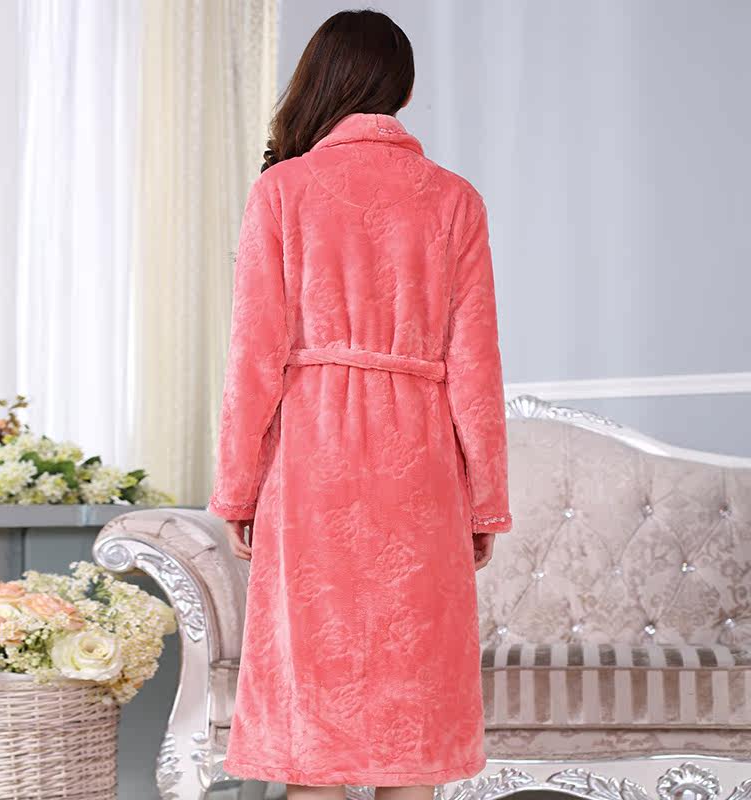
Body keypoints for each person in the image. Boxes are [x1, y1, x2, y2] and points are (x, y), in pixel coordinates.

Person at [208, 8, 512, 800]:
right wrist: (483, 501)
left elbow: (253, 357)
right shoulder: (455, 200)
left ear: (320, 81)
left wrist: (237, 490)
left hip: (314, 469)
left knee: (319, 721)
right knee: (412, 714)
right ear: (402, 91)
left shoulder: (282, 191)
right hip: (421, 475)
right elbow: (476, 366)